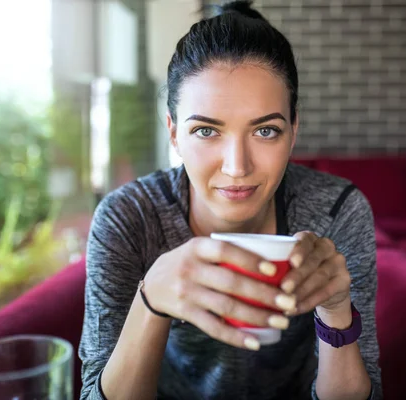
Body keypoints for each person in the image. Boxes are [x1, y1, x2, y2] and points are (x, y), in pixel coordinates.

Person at [79, 1, 382, 399]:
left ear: (294, 130)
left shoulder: (336, 211)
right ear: (173, 134)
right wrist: (151, 297)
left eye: (266, 131)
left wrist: (336, 312)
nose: (237, 167)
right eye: (206, 131)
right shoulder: (129, 218)